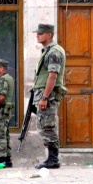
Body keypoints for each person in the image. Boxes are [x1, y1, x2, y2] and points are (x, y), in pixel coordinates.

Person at [32, 24, 67, 169]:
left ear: (49, 35)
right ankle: (51, 158)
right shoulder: (47, 51)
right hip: (43, 93)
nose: (37, 35)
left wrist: (45, 97)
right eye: (37, 33)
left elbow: (53, 76)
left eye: (41, 33)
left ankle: (53, 159)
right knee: (44, 125)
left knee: (48, 126)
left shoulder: (54, 52)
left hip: (48, 95)